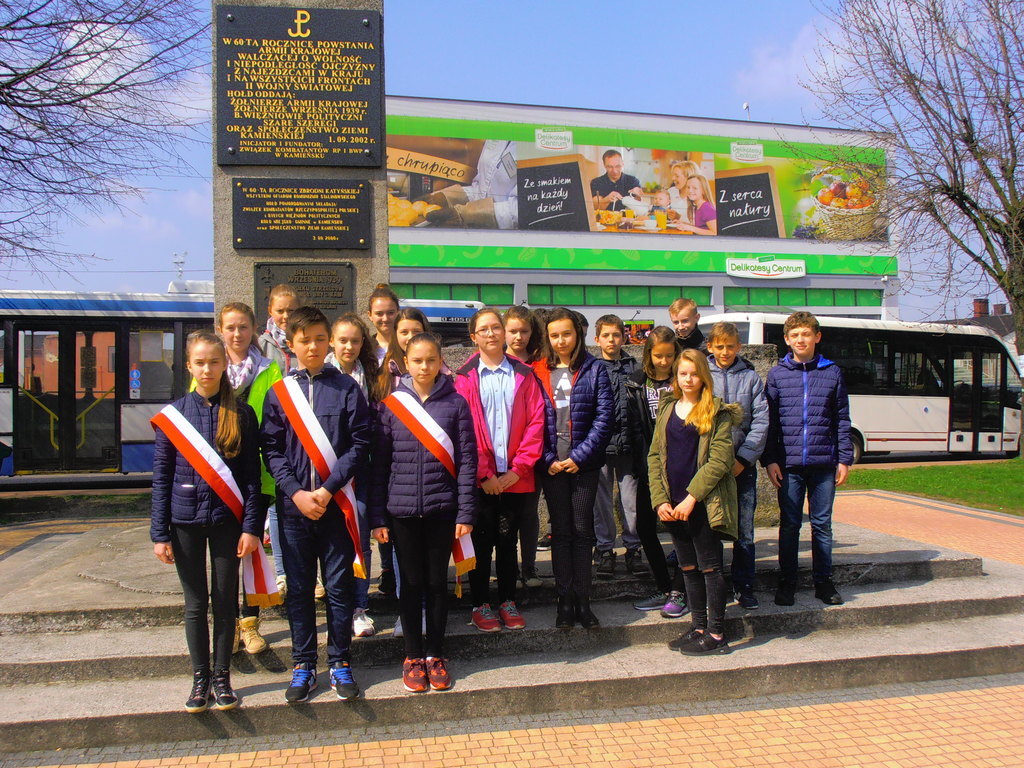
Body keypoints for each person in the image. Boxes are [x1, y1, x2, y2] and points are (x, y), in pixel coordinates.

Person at [261, 307, 371, 703]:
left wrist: (326, 490)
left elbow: (360, 444)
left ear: (328, 343)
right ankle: (304, 664)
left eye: (320, 339)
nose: (313, 346)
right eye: (304, 340)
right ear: (291, 344)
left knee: (339, 589)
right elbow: (272, 450)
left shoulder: (347, 389)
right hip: (294, 510)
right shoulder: (279, 394)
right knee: (300, 590)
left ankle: (340, 661)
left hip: (335, 506)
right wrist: (295, 492)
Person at [151, 331, 263, 713]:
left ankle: (222, 677)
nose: (207, 369)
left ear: (224, 364)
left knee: (226, 602)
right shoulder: (174, 416)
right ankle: (200, 679)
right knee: (196, 604)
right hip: (184, 522)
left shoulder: (242, 414)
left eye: (214, 362)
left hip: (227, 522)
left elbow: (251, 479)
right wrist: (159, 534)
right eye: (199, 362)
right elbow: (162, 477)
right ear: (188, 366)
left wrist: (251, 527)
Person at [370, 333, 477, 692]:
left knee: (436, 584)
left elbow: (467, 462)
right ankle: (413, 654)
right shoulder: (391, 406)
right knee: (411, 584)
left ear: (440, 360)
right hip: (401, 511)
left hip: (442, 509)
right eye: (417, 360)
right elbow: (379, 465)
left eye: (431, 359)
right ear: (406, 363)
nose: (424, 366)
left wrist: (465, 513)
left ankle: (435, 654)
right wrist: (378, 517)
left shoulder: (456, 403)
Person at [455, 309, 546, 632]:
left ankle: (508, 600)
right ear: (473, 337)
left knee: (508, 542)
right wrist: (484, 474)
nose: (491, 333)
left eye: (496, 327)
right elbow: (464, 429)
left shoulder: (524, 374)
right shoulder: (464, 378)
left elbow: (536, 422)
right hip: (481, 480)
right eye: (484, 329)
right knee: (480, 542)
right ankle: (480, 604)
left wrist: (517, 470)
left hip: (515, 477)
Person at [648, 349, 740, 655]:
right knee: (687, 567)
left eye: (694, 373)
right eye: (683, 373)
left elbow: (720, 460)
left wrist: (692, 498)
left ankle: (716, 633)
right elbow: (655, 455)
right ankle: (699, 627)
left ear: (704, 377)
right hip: (673, 503)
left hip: (702, 503)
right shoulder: (667, 407)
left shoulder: (717, 411)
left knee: (710, 568)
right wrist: (660, 499)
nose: (688, 379)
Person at [762, 311, 852, 607]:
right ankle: (787, 582)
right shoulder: (777, 375)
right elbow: (770, 422)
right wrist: (770, 459)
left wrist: (844, 459)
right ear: (787, 340)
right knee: (790, 525)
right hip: (789, 465)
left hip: (823, 463)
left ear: (817, 337)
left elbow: (841, 418)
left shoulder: (832, 372)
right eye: (795, 335)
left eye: (806, 334)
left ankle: (823, 582)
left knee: (822, 524)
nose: (800, 340)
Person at [532, 308, 614, 629]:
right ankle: (564, 600)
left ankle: (583, 600)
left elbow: (604, 417)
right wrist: (546, 458)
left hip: (583, 466)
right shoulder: (538, 370)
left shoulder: (595, 369)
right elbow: (531, 420)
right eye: (554, 335)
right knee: (561, 533)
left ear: (578, 334)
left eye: (566, 333)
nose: (561, 340)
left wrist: (579, 457)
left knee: (582, 532)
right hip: (552, 466)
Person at [215, 302, 284, 654]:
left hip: (256, 473)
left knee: (251, 548)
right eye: (230, 327)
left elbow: (278, 415)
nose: (237, 334)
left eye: (243, 327)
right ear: (220, 330)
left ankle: (250, 623)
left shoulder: (270, 369)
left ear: (254, 329)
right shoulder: (211, 367)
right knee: (224, 554)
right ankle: (227, 625)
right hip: (218, 473)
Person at [327, 313, 383, 638]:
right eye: (343, 340)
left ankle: (360, 607)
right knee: (333, 543)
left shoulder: (371, 376)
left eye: (355, 341)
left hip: (362, 468)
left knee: (361, 536)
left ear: (363, 344)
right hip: (328, 469)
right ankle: (338, 607)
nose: (349, 346)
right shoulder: (320, 376)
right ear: (332, 342)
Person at [625, 327, 688, 616]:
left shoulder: (684, 380)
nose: (664, 361)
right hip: (650, 468)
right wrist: (646, 467)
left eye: (669, 355)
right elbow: (635, 430)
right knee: (645, 527)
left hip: (682, 468)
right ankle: (664, 587)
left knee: (681, 531)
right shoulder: (637, 383)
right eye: (658, 355)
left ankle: (680, 591)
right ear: (648, 353)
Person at [706, 321, 769, 610]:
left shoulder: (751, 378)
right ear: (710, 346)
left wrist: (744, 459)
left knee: (744, 529)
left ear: (739, 347)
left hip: (742, 465)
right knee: (712, 527)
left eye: (730, 346)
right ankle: (715, 585)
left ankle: (744, 585)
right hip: (710, 467)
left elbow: (761, 421)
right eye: (719, 346)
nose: (725, 352)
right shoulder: (703, 374)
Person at [375, 305, 430, 599]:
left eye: (416, 331)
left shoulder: (442, 374)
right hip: (397, 465)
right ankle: (399, 593)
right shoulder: (384, 373)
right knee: (397, 540)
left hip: (429, 468)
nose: (410, 337)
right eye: (404, 331)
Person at [591, 314, 642, 578]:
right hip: (599, 448)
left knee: (631, 502)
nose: (611, 340)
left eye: (616, 335)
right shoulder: (590, 367)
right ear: (597, 339)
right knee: (601, 504)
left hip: (629, 446)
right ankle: (604, 549)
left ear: (624, 337)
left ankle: (633, 548)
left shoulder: (636, 368)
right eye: (606, 335)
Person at [503, 305, 545, 588]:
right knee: (506, 517)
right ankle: (505, 570)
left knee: (529, 513)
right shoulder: (497, 362)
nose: (518, 337)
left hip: (533, 451)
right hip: (501, 453)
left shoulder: (541, 363)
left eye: (524, 331)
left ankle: (529, 567)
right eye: (513, 331)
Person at [421, 139, 519, 229]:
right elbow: (482, 188)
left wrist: (466, 214)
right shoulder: (499, 133)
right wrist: (447, 197)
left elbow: (522, 210)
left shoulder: (528, 146)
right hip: (479, 233)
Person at [257, 284, 300, 373]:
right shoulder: (261, 345)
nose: (286, 316)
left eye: (291, 310)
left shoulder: (307, 341)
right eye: (280, 311)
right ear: (270, 311)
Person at [366, 284, 400, 363]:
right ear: (370, 315)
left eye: (390, 313)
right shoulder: (365, 349)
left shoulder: (406, 346)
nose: (385, 319)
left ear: (398, 312)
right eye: (379, 314)